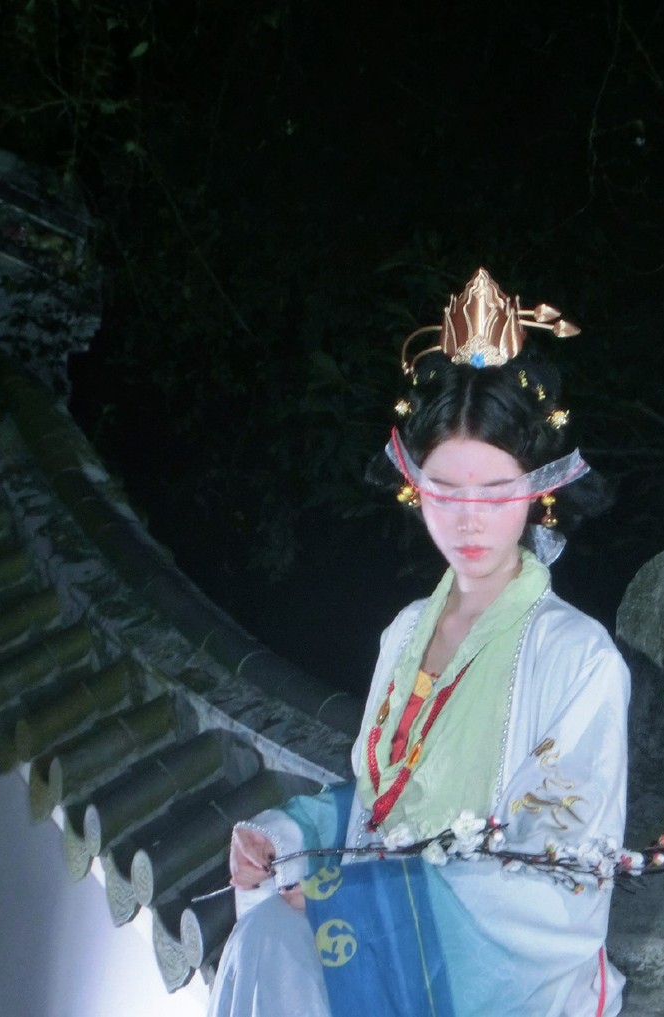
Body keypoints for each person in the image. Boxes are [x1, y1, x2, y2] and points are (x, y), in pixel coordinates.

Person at [208, 269, 630, 1017]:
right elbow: (383, 809)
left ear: (539, 490)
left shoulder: (578, 658)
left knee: (282, 945)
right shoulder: (406, 631)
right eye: (445, 489)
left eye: (495, 490)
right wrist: (287, 834)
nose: (468, 519)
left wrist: (356, 902)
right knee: (268, 937)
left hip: (484, 978)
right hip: (381, 923)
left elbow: (562, 881)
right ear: (414, 485)